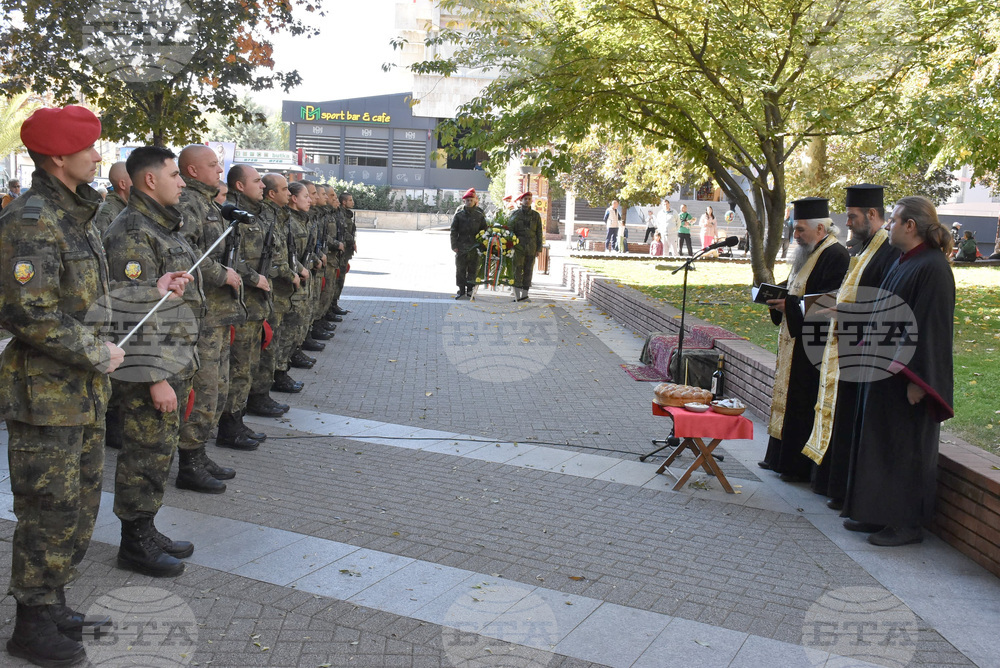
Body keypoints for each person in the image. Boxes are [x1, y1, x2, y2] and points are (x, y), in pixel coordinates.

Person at [0, 105, 130, 666]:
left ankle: (52, 603)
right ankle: (29, 624)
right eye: (88, 148)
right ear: (58, 157)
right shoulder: (32, 220)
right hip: (44, 396)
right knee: (47, 509)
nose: (97, 156)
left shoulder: (75, 214)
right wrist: (95, 350)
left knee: (77, 508)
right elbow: (27, 312)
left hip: (81, 391)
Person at [102, 146, 202, 578]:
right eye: (175, 174)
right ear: (149, 180)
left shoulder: (161, 226)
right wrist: (156, 378)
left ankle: (147, 526)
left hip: (172, 361)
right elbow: (131, 312)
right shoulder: (132, 232)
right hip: (150, 370)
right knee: (144, 453)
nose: (182, 182)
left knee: (157, 452)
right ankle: (134, 542)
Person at [843, 196, 955, 546]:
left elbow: (930, 328)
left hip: (907, 379)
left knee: (904, 448)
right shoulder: (906, 261)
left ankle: (905, 524)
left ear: (911, 226)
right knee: (879, 443)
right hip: (883, 372)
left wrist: (917, 380)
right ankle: (877, 513)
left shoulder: (933, 267)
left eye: (894, 220)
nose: (888, 225)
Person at [804, 184, 897, 510]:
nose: (848, 224)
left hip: (861, 352)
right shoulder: (866, 247)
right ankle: (834, 485)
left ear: (872, 215)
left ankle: (843, 490)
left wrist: (846, 313)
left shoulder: (888, 252)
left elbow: (885, 306)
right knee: (839, 417)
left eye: (853, 217)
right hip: (841, 347)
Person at [761, 197, 849, 482]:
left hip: (814, 343)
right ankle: (778, 457)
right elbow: (793, 288)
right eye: (794, 230)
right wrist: (775, 297)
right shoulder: (807, 251)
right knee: (787, 397)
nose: (795, 236)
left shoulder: (835, 255)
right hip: (793, 338)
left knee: (801, 400)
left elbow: (829, 300)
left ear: (821, 229)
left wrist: (792, 306)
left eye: (800, 230)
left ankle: (795, 466)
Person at [175, 144, 246, 493]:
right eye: (213, 165)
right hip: (200, 317)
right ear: (192, 171)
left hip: (215, 314)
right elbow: (188, 258)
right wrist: (222, 274)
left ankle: (199, 453)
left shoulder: (207, 204)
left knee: (216, 387)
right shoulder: (188, 204)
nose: (220, 171)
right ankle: (189, 461)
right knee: (203, 389)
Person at [223, 165, 287, 428]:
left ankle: (239, 416)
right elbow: (227, 257)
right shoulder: (230, 214)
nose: (262, 186)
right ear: (240, 185)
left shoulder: (257, 214)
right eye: (257, 181)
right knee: (237, 368)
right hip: (240, 304)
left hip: (256, 304)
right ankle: (230, 424)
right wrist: (253, 278)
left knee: (248, 364)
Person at [256, 173, 304, 396]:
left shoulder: (278, 215)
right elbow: (273, 257)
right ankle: (261, 393)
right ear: (272, 193)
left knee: (277, 340)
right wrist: (289, 272)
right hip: (271, 291)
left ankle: (275, 378)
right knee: (268, 344)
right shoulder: (265, 217)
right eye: (285, 189)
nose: (289, 193)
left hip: (281, 290)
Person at [451, 187, 487, 299]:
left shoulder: (479, 215)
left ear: (474, 201)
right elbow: (453, 231)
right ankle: (461, 291)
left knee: (473, 270)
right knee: (460, 270)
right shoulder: (459, 215)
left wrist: (482, 245)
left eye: (471, 200)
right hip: (461, 247)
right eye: (467, 200)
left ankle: (470, 292)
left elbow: (484, 231)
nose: (469, 202)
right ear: (464, 201)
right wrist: (454, 246)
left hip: (474, 247)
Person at [508, 191, 544, 301]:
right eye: (525, 199)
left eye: (529, 199)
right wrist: (512, 243)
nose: (527, 201)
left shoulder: (536, 215)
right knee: (517, 270)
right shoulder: (515, 214)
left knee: (528, 270)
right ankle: (517, 295)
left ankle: (525, 295)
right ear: (521, 201)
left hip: (531, 246)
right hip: (519, 246)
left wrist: (539, 248)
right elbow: (510, 230)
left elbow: (539, 232)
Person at [94, 161, 131, 234]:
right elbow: (102, 243)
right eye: (133, 178)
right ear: (122, 184)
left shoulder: (125, 207)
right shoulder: (107, 213)